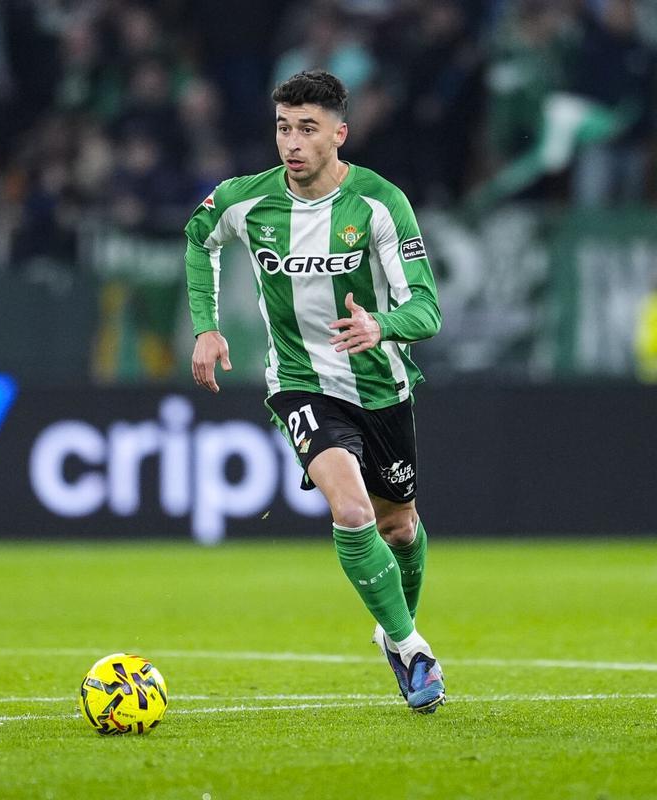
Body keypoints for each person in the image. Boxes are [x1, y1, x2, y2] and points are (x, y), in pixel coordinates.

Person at [184, 70, 445, 713]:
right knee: (352, 512)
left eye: (307, 129)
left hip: (381, 385)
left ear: (339, 134)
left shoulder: (380, 205)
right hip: (301, 383)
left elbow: (429, 311)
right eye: (283, 127)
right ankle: (413, 650)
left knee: (401, 528)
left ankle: (391, 627)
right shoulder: (247, 201)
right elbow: (199, 238)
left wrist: (379, 325)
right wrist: (208, 328)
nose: (292, 143)